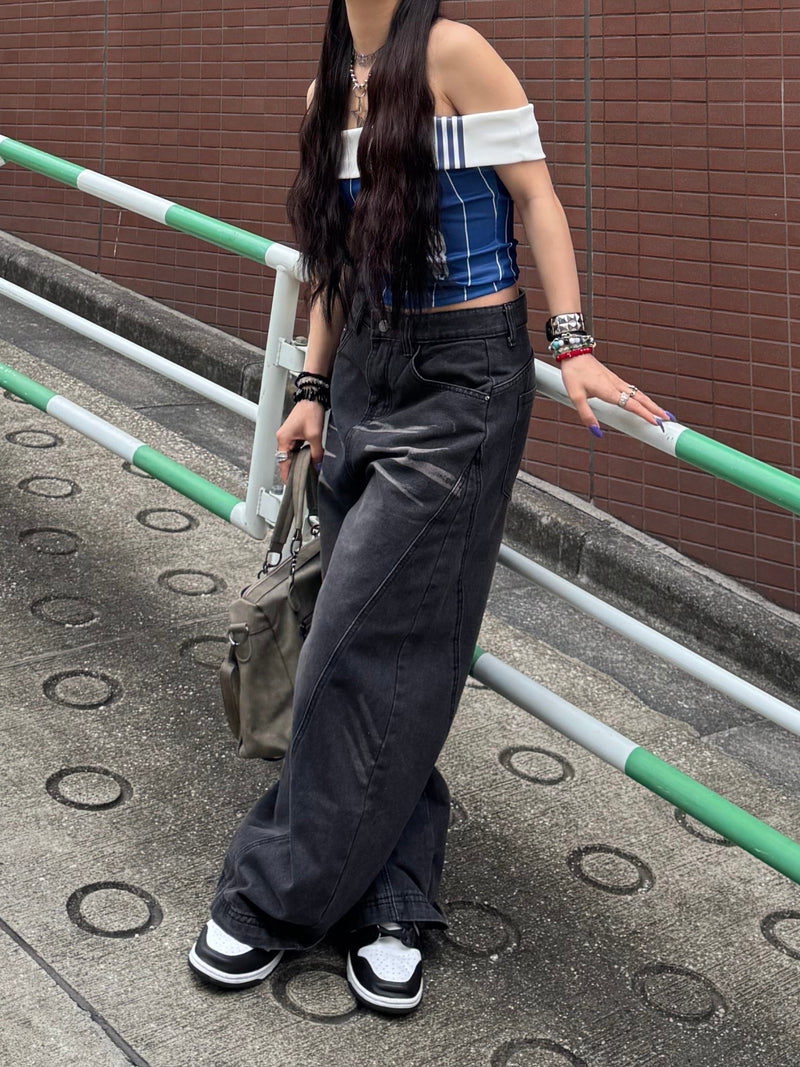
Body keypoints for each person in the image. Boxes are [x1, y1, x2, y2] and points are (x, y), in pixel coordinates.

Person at [188, 0, 669, 1015]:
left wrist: (572, 341)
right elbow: (335, 262)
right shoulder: (325, 90)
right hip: (364, 371)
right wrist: (312, 387)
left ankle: (272, 892)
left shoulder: (452, 52)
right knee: (395, 652)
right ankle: (394, 900)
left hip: (462, 379)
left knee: (352, 640)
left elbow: (535, 194)